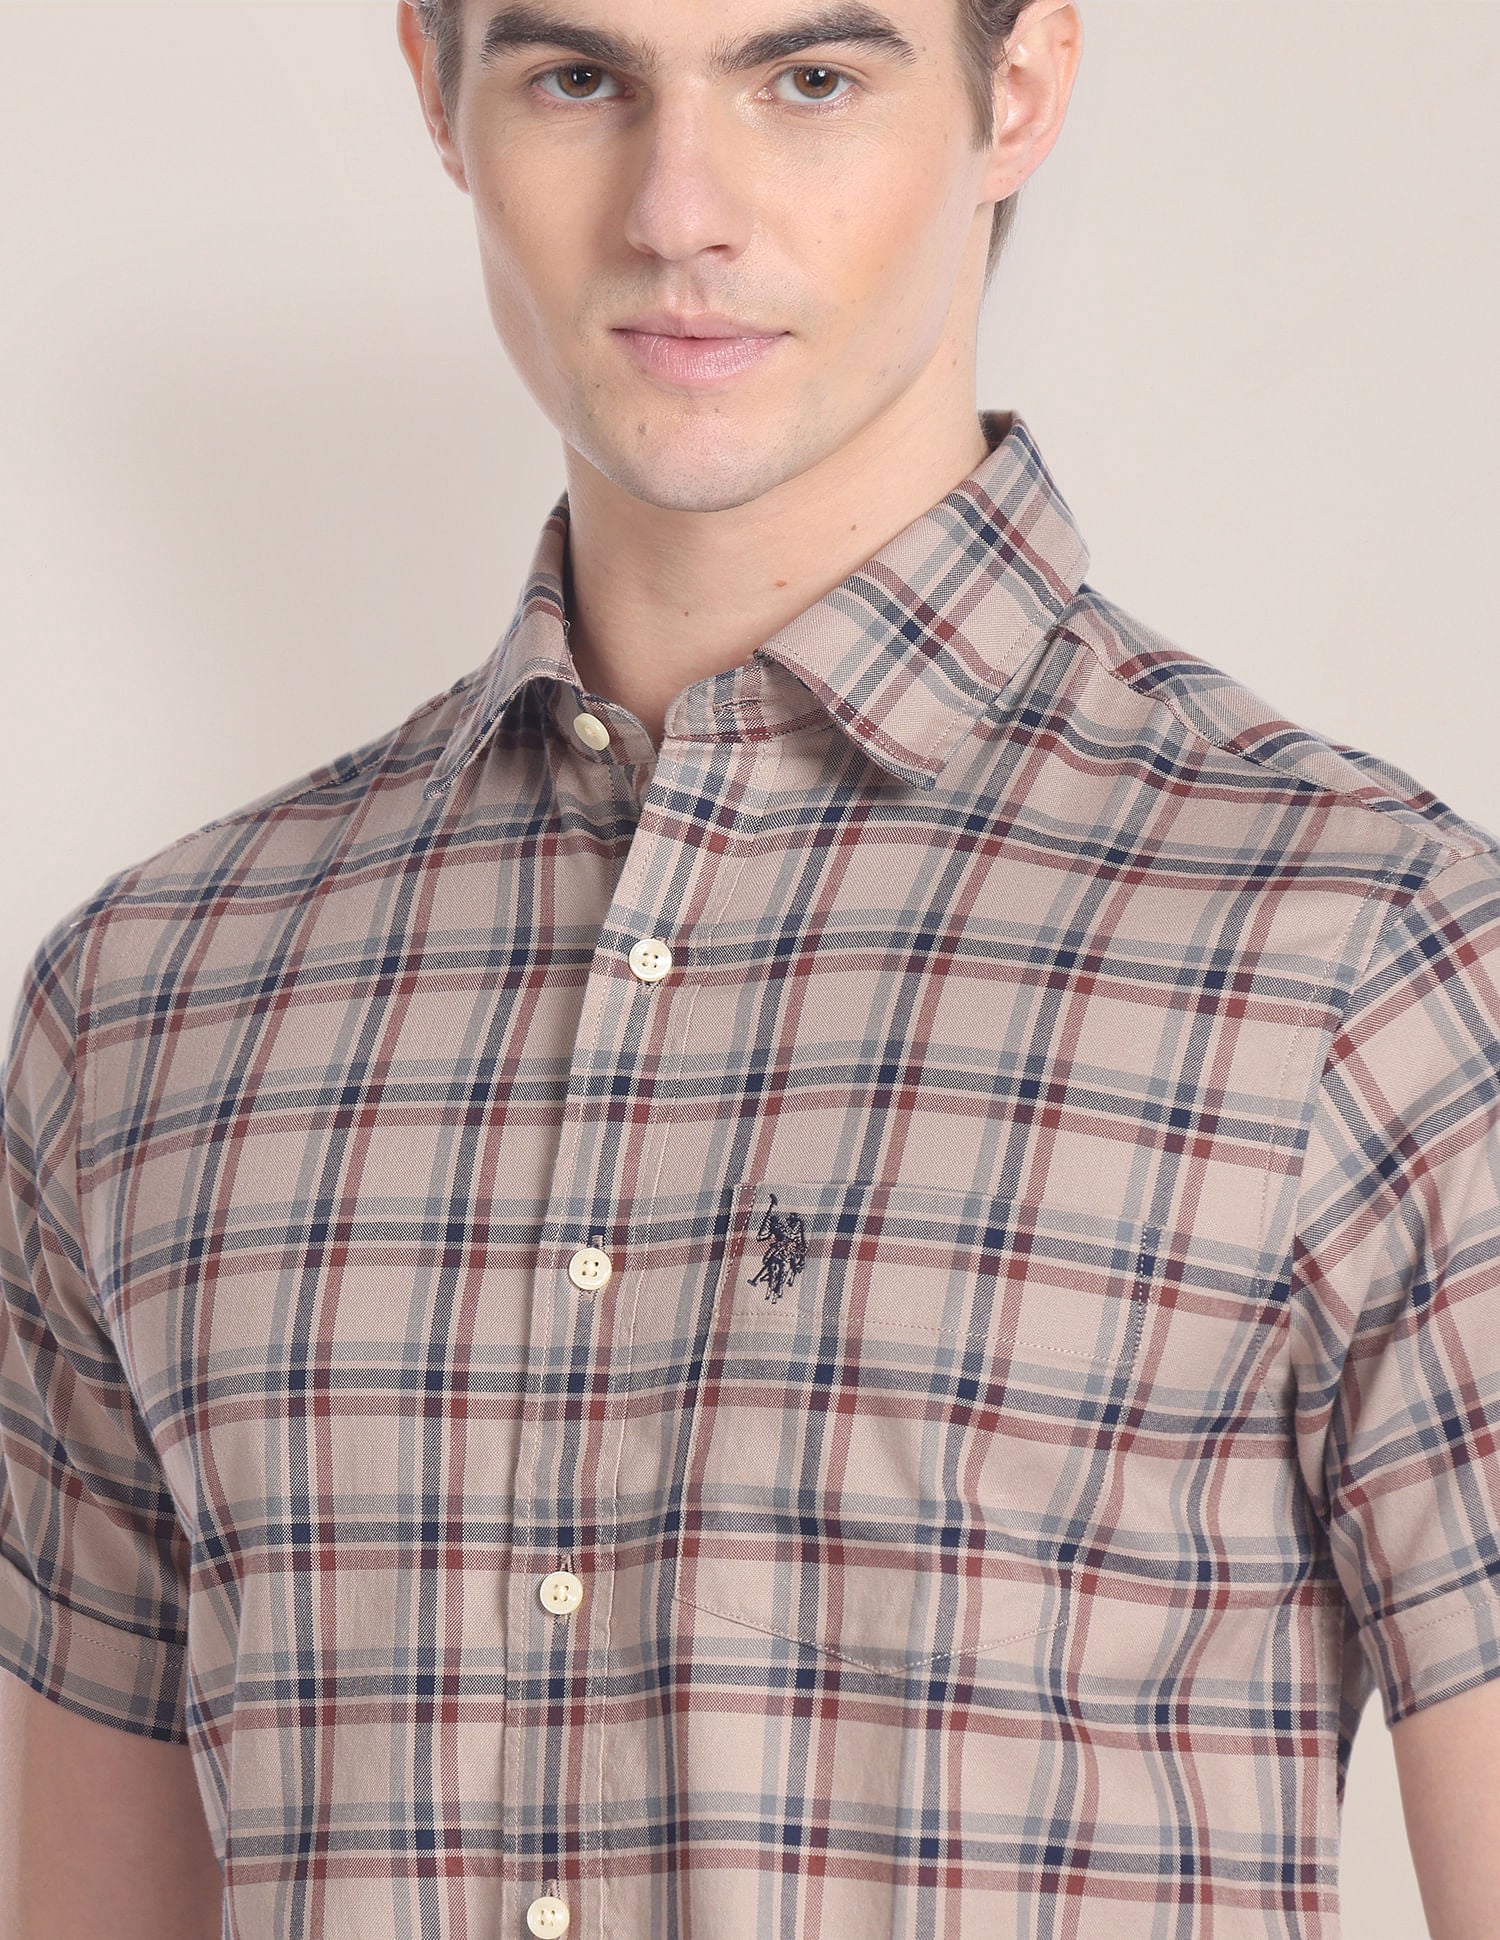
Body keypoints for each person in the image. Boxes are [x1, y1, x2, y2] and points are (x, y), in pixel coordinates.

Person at [2, 1, 1498, 1934]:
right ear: (437, 93)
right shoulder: (148, 1008)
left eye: (808, 80)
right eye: (578, 79)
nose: (677, 210)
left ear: (1018, 88)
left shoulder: (1367, 960)